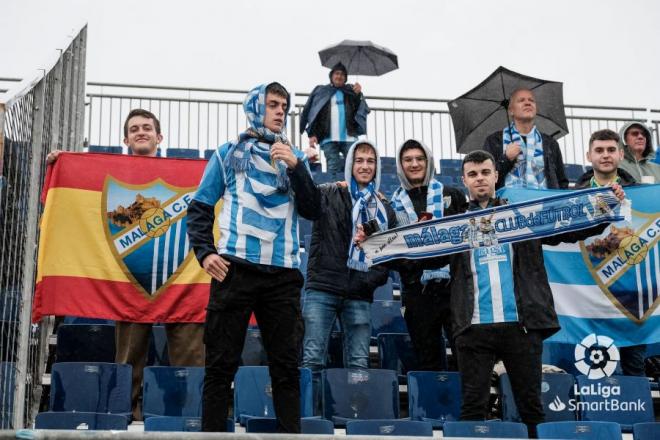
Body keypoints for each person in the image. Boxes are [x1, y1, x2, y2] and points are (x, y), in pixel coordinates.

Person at [356, 150, 625, 438]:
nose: (480, 179)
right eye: (473, 175)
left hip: (521, 328)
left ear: (496, 176)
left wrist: (607, 206)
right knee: (473, 409)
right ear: (464, 181)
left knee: (531, 409)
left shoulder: (522, 218)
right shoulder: (454, 227)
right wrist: (373, 244)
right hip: (473, 330)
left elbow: (570, 230)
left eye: (485, 172)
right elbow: (418, 258)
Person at [47, 109, 205, 421]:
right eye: (134, 129)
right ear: (125, 139)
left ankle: (189, 412)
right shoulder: (112, 173)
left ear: (160, 137)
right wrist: (60, 164)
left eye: (147, 128)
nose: (141, 132)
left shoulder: (187, 173)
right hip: (131, 278)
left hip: (183, 275)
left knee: (191, 355)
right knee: (129, 355)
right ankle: (127, 409)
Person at [187, 82, 310, 433]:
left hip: (283, 275)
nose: (279, 111)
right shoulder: (228, 153)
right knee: (220, 366)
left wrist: (297, 168)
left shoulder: (294, 157)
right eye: (273, 104)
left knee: (286, 368)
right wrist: (205, 253)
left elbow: (313, 209)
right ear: (256, 106)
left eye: (284, 106)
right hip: (235, 270)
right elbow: (199, 208)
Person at [287, 139, 396, 410]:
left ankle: (353, 417)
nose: (365, 166)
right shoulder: (328, 192)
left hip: (359, 295)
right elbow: (306, 203)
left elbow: (387, 258)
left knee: (359, 364)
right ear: (349, 164)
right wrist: (299, 165)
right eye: (359, 160)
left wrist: (366, 282)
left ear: (377, 167)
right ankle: (307, 419)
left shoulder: (384, 208)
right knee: (312, 358)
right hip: (322, 289)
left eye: (371, 161)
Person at [387, 139, 467, 370]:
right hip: (417, 291)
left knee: (466, 355)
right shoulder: (393, 206)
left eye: (419, 159)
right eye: (408, 159)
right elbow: (391, 252)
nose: (414, 164)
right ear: (401, 165)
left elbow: (464, 241)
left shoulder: (452, 195)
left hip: (454, 290)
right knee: (427, 359)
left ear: (428, 161)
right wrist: (415, 258)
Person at [575, 128, 645, 377]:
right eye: (599, 150)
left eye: (611, 150)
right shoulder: (572, 197)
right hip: (588, 294)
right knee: (592, 366)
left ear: (621, 154)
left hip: (629, 294)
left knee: (633, 365)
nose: (605, 155)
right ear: (588, 155)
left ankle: (636, 414)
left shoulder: (641, 195)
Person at [483, 88, 569, 190]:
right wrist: (506, 158)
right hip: (508, 204)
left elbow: (562, 182)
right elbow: (485, 179)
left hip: (545, 205)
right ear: (511, 110)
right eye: (521, 100)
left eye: (531, 100)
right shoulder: (494, 141)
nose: (528, 103)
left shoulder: (550, 143)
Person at [299, 62, 369, 175]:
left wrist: (358, 95)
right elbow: (314, 112)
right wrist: (312, 134)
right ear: (331, 76)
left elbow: (360, 109)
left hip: (349, 137)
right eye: (336, 73)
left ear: (345, 78)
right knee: (333, 166)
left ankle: (352, 191)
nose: (339, 76)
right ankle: (334, 191)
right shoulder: (322, 91)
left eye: (342, 74)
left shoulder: (351, 91)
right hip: (328, 137)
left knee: (353, 166)